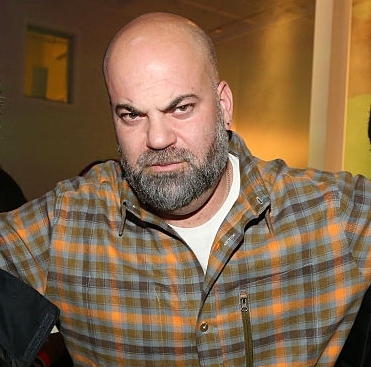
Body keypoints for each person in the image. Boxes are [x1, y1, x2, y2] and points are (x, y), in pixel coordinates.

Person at [0, 12, 371, 367]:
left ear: (224, 106)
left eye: (181, 108)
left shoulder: (332, 213)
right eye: (132, 115)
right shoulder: (67, 222)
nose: (158, 138)